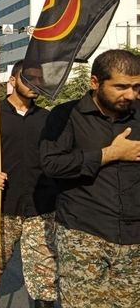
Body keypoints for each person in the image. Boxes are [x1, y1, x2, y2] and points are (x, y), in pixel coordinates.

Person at [39, 49, 140, 307]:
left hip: (134, 238)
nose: (130, 95)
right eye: (121, 87)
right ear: (95, 82)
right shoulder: (65, 116)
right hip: (83, 234)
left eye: (136, 87)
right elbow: (52, 164)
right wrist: (108, 154)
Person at [0, 61, 58, 308]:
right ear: (13, 81)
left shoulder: (48, 118)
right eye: (28, 79)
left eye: (38, 80)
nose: (34, 85)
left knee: (44, 267)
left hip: (41, 205)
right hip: (2, 203)